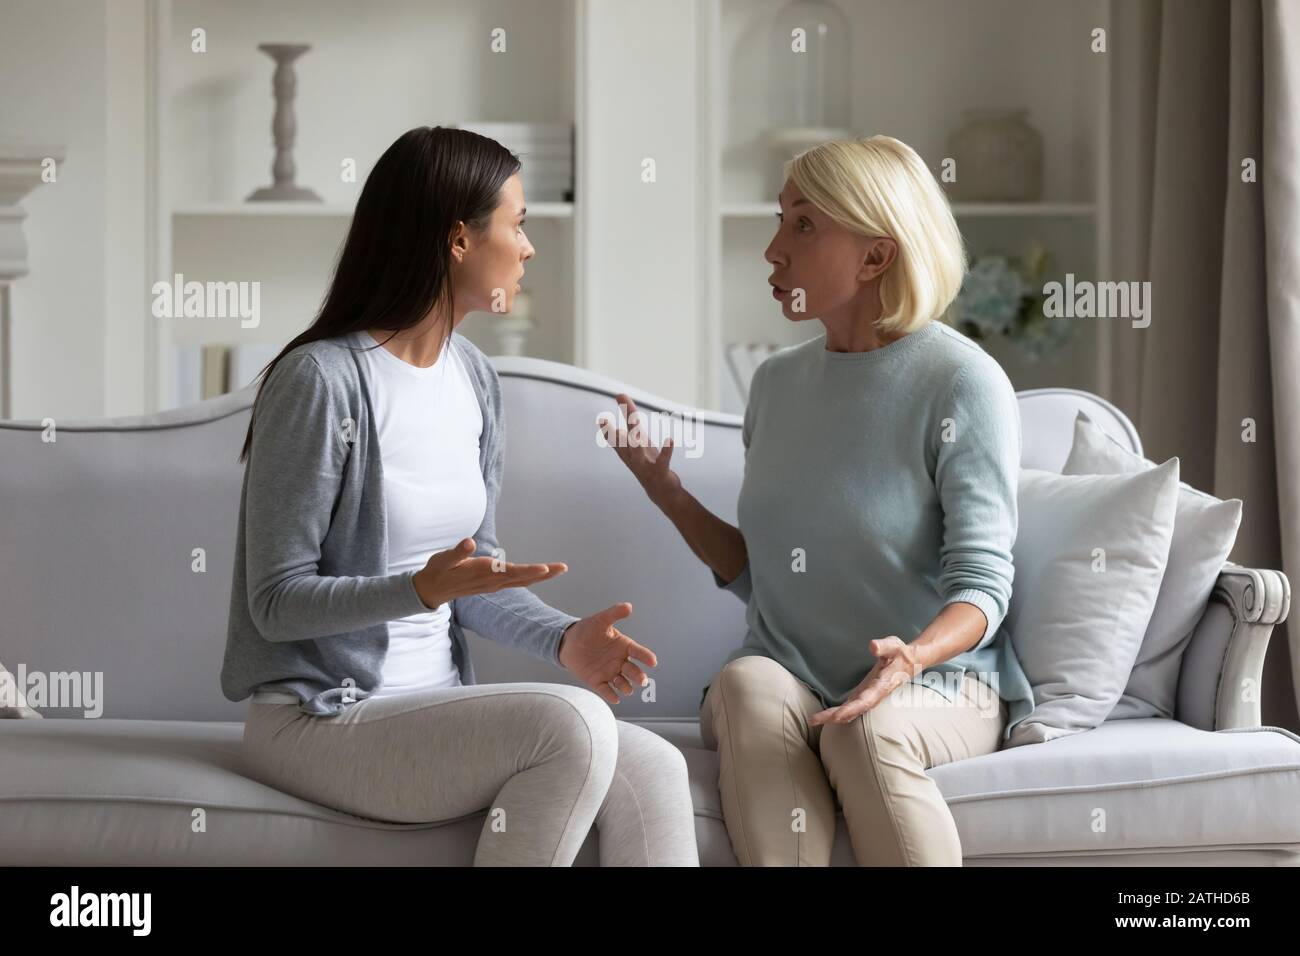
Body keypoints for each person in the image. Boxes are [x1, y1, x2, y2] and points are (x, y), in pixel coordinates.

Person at [222, 126, 699, 867]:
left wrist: (565, 638)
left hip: (431, 707)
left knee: (657, 768)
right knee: (570, 728)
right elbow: (276, 602)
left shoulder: (475, 378)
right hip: (321, 719)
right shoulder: (321, 382)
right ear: (457, 241)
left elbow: (475, 583)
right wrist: (416, 590)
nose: (528, 247)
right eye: (518, 224)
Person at [602, 135, 1035, 866]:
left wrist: (910, 659)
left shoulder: (962, 383)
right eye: (781, 219)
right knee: (744, 684)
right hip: (789, 670)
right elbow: (766, 577)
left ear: (875, 256)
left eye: (803, 225)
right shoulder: (776, 385)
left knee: (864, 730)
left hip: (939, 680)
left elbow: (983, 587)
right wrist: (668, 495)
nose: (774, 250)